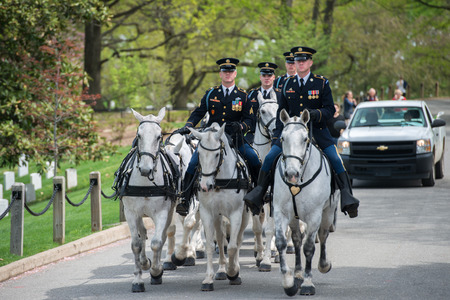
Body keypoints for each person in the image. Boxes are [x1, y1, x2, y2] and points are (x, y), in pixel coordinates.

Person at [243, 46, 359, 218]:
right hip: (290, 134)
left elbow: (329, 109)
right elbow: (281, 112)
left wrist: (315, 114)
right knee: (269, 158)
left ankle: (347, 196)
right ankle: (259, 194)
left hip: (317, 132)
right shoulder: (288, 84)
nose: (300, 63)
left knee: (336, 159)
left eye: (304, 60)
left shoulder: (321, 83)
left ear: (310, 62)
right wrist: (277, 137)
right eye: (297, 61)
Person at [174, 57, 261, 216]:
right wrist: (188, 126)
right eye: (224, 71)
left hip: (234, 138)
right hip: (211, 138)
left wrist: (241, 126)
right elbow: (198, 113)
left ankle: (258, 196)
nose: (227, 74)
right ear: (220, 74)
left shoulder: (243, 96)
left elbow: (250, 119)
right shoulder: (211, 93)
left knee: (253, 158)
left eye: (230, 71)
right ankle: (185, 200)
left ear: (235, 73)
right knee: (193, 163)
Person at [246, 62, 281, 144]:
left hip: (275, 133)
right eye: (264, 76)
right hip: (253, 134)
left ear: (273, 77)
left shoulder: (280, 94)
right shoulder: (251, 94)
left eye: (269, 76)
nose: (267, 78)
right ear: (260, 77)